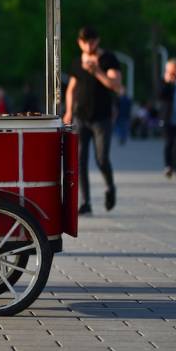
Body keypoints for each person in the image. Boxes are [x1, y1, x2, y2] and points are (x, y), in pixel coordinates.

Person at [63, 26, 121, 215]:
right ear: (79, 43)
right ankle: (85, 202)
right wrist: (68, 111)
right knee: (80, 160)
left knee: (102, 158)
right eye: (84, 42)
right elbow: (71, 89)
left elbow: (116, 85)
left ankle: (110, 187)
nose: (88, 46)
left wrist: (97, 71)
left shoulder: (108, 59)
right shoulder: (77, 62)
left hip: (102, 118)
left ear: (98, 41)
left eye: (92, 41)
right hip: (81, 117)